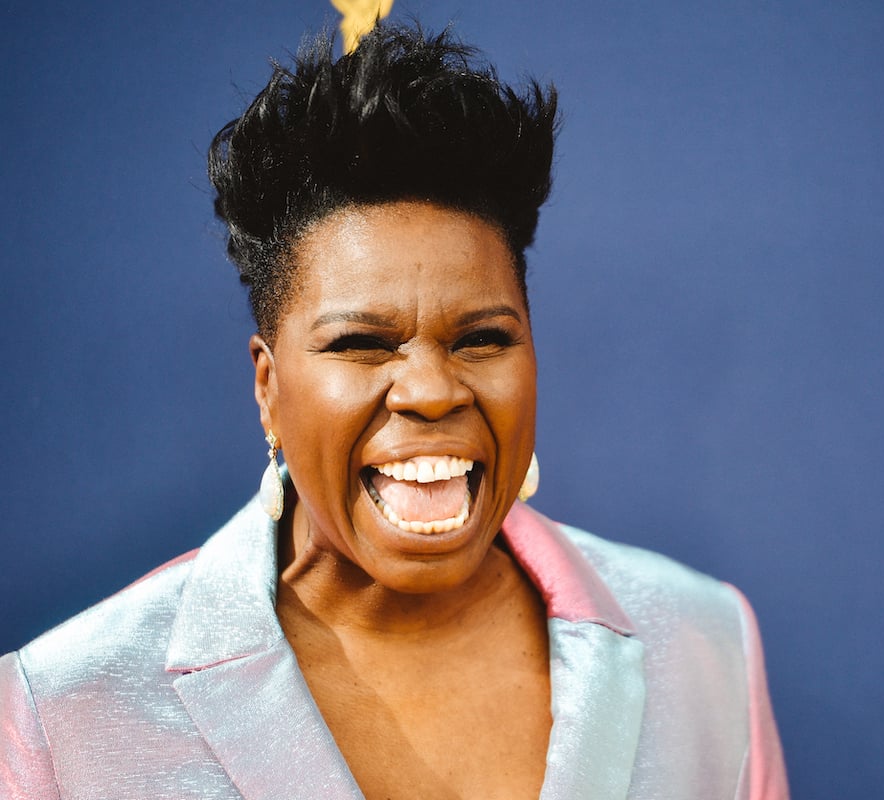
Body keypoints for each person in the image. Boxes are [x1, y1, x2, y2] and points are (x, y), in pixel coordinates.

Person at [0, 22, 788, 799]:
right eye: (361, 345)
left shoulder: (703, 645)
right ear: (268, 388)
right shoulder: (63, 714)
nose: (432, 390)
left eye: (481, 337)